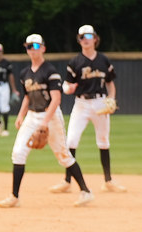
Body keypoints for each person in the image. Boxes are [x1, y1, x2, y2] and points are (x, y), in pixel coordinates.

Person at [0, 33, 93, 208]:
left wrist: (45, 122)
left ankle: (86, 192)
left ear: (43, 48)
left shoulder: (50, 71)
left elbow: (56, 99)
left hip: (51, 116)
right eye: (28, 46)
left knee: (63, 155)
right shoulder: (25, 73)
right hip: (32, 116)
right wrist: (20, 115)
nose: (31, 50)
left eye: (35, 46)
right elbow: (27, 97)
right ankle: (14, 197)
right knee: (18, 153)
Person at [50, 24, 124, 194]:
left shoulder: (103, 60)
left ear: (95, 39)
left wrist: (111, 99)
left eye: (89, 36)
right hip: (81, 104)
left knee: (103, 141)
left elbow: (110, 84)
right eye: (82, 37)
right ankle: (67, 181)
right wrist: (68, 88)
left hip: (100, 102)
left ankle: (108, 181)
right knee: (70, 141)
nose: (85, 39)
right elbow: (67, 85)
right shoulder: (75, 62)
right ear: (79, 40)